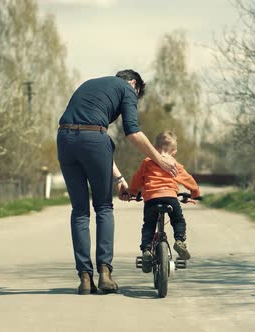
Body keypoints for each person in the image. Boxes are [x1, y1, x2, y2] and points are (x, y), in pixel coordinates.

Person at [57, 69, 178, 295]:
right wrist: (160, 159)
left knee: (80, 211)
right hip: (93, 140)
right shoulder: (127, 89)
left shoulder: (92, 84)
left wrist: (119, 178)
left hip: (64, 139)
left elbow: (95, 133)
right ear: (134, 84)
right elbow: (132, 132)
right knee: (103, 207)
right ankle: (105, 274)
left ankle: (84, 279)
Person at [127, 131, 201, 273]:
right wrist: (195, 193)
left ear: (154, 147)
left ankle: (147, 250)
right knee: (178, 220)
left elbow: (137, 179)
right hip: (170, 199)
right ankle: (179, 241)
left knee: (149, 225)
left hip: (151, 200)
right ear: (174, 152)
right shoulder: (175, 164)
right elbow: (188, 179)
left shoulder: (147, 162)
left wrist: (132, 191)